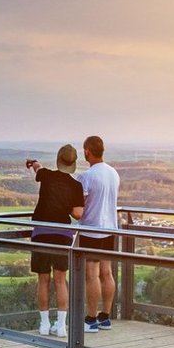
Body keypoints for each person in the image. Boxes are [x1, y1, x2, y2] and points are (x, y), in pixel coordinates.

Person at [27, 145, 85, 336]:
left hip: (41, 234)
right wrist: (65, 206)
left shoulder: (47, 175)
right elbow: (78, 213)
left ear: (58, 160)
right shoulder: (76, 186)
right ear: (73, 163)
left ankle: (44, 324)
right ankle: (61, 326)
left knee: (43, 280)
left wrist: (33, 163)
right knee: (61, 280)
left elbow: (37, 168)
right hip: (62, 234)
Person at [73, 135, 120, 333]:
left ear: (87, 151)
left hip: (91, 230)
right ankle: (105, 317)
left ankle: (91, 319)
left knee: (91, 275)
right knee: (107, 272)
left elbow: (78, 210)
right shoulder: (114, 173)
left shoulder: (86, 176)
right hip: (110, 228)